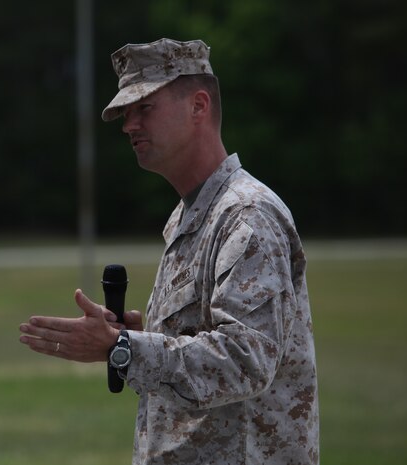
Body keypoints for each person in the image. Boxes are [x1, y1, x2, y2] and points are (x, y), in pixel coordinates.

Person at [19, 38, 319, 465]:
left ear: (198, 106)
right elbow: (205, 346)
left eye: (145, 108)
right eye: (126, 113)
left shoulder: (247, 216)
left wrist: (122, 347)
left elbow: (245, 359)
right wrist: (138, 339)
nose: (128, 125)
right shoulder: (193, 214)